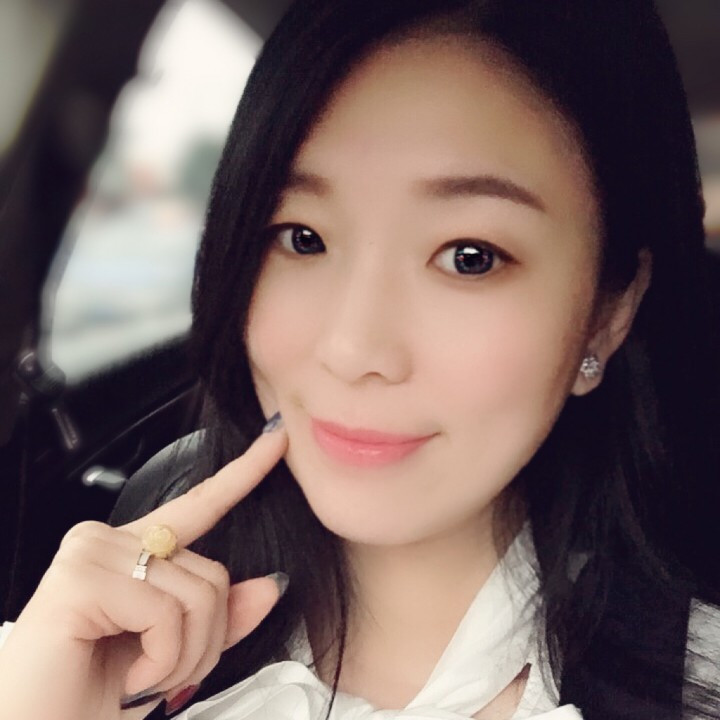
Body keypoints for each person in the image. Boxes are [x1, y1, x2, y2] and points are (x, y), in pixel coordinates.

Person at [1, 0, 719, 718]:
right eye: (302, 238)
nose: (351, 351)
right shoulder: (80, 653)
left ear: (606, 314)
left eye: (469, 257)